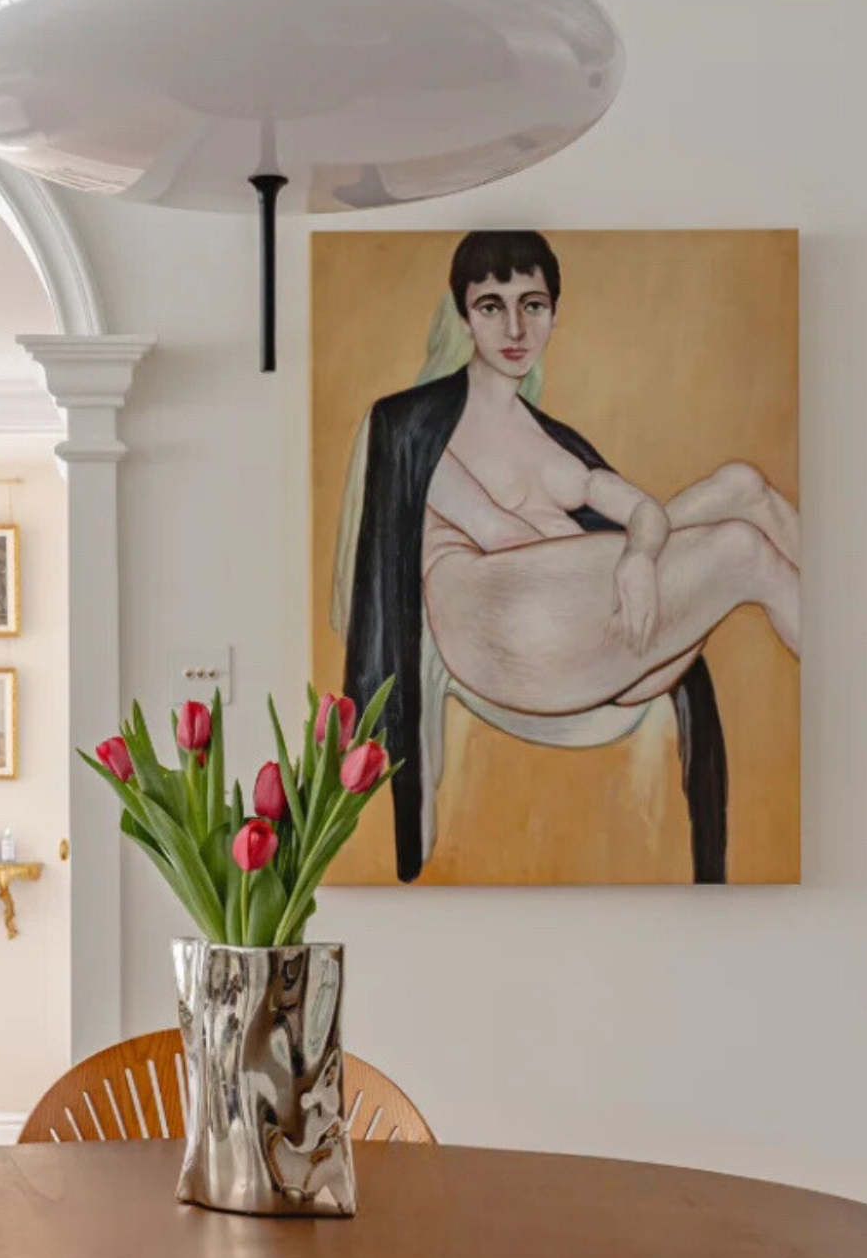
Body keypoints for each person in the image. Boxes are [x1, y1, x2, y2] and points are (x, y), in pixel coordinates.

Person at [333, 230, 800, 884]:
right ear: (465, 316)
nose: (516, 325)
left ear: (554, 312)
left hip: (581, 621)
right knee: (742, 549)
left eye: (534, 304)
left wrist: (640, 559)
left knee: (745, 486)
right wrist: (616, 548)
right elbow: (501, 534)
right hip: (511, 630)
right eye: (493, 306)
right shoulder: (421, 424)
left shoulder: (553, 442)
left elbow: (644, 511)